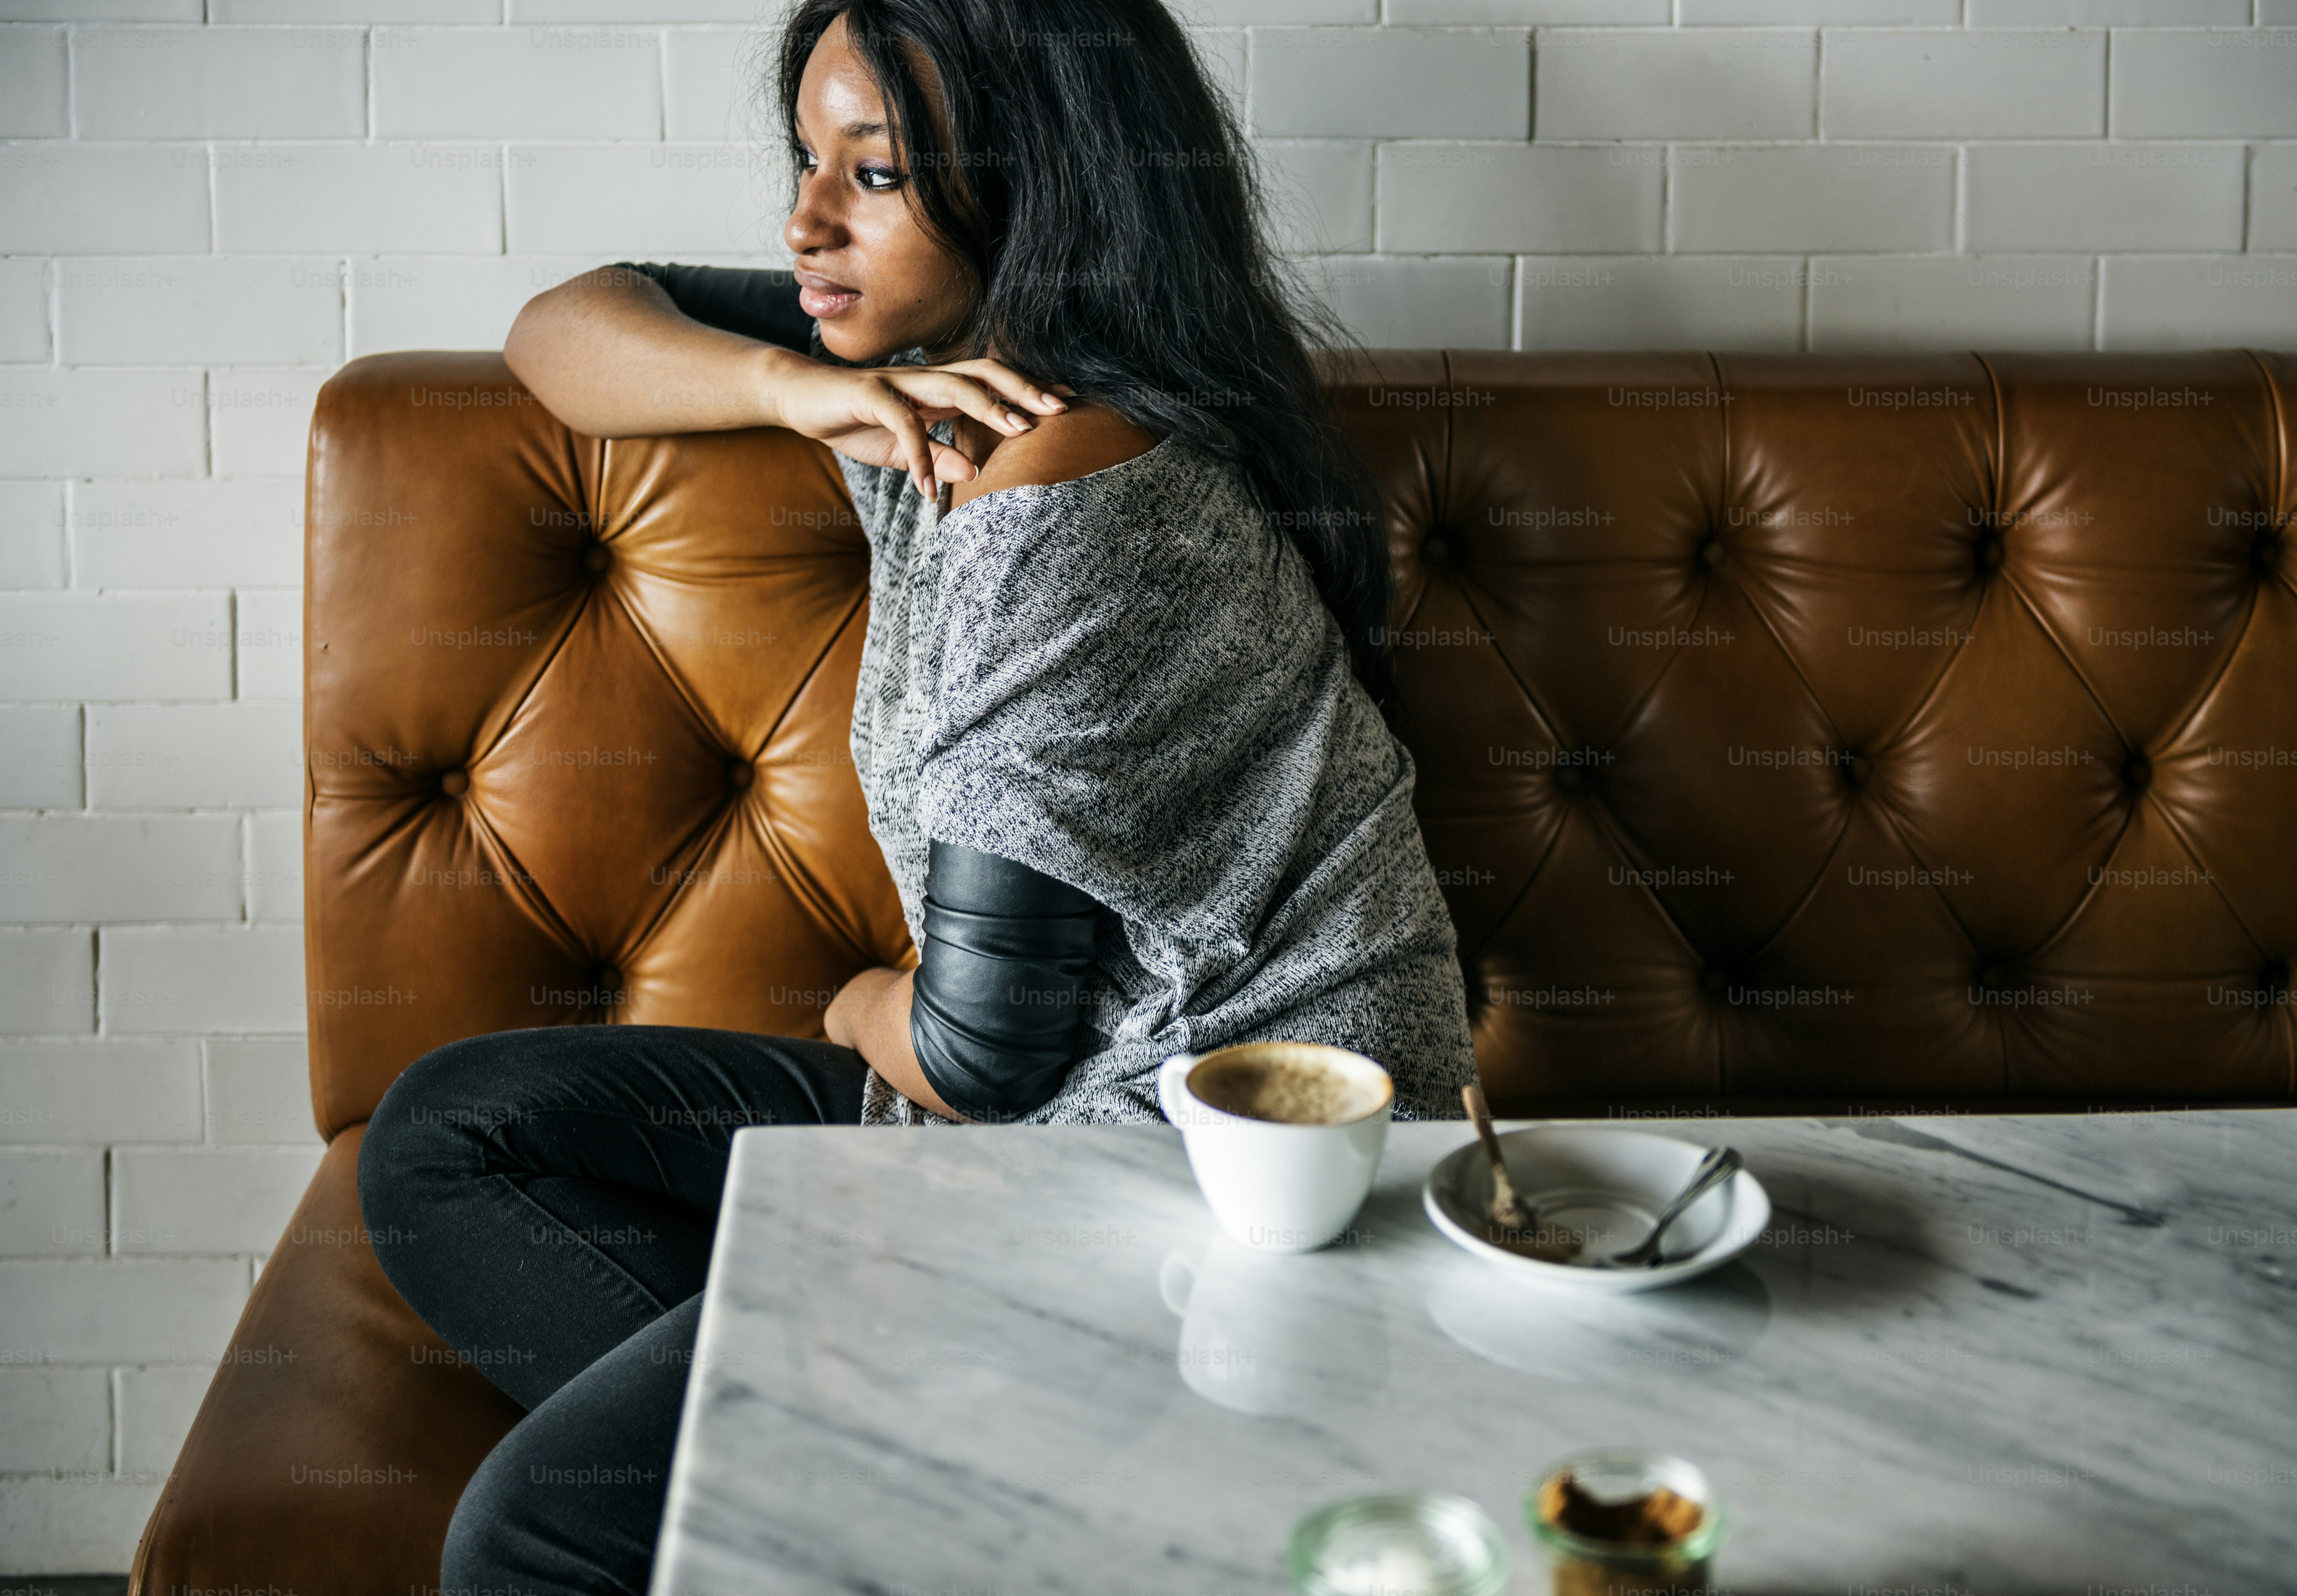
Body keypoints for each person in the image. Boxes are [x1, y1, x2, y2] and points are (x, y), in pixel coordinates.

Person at [355, 1, 1476, 1589]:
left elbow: (979, 1056)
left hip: (1200, 1183)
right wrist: (786, 387)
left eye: (871, 173)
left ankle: (883, 1461)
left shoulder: (1060, 493)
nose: (804, 217)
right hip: (1048, 1124)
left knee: (535, 1532)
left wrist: (857, 1002)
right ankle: (888, 1469)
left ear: (1041, 190)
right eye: (804, 158)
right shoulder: (935, 367)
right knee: (449, 1138)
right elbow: (568, 327)